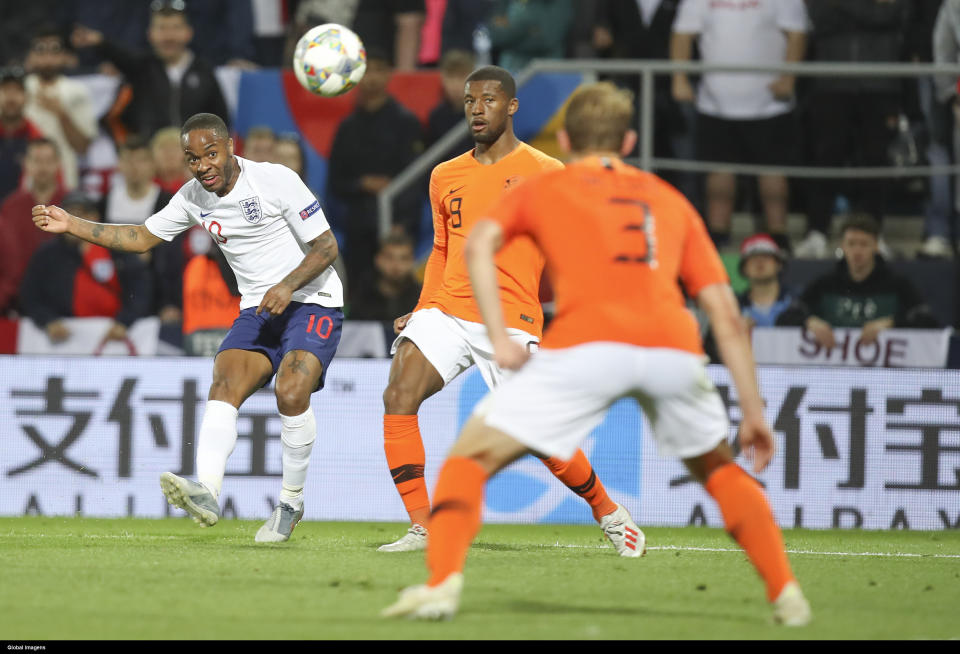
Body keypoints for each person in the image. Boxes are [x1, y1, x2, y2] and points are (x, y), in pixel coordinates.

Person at [382, 82, 812, 626]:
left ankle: (441, 586)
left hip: (589, 341)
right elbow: (725, 314)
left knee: (469, 461)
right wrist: (752, 411)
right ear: (629, 140)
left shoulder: (546, 186)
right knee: (720, 471)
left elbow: (482, 244)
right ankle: (787, 594)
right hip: (669, 344)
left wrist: (500, 329)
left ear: (564, 137)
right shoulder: (669, 201)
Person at [32, 112, 344, 544]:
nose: (203, 166)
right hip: (259, 307)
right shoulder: (192, 197)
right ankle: (207, 490)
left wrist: (287, 286)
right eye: (193, 159)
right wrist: (72, 224)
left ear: (230, 146)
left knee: (291, 392)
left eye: (211, 153)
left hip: (313, 300)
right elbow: (140, 237)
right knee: (225, 381)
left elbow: (326, 246)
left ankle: (290, 502)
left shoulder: (276, 180)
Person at [378, 66, 641, 556]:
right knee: (398, 393)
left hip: (511, 316)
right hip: (448, 309)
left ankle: (608, 511)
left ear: (512, 106)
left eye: (489, 100)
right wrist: (422, 307)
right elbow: (441, 250)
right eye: (470, 100)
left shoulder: (548, 173)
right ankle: (423, 525)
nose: (478, 109)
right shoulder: (444, 175)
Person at [671, 0, 808, 253]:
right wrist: (679, 78)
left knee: (773, 173)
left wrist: (789, 78)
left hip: (770, 102)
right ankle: (718, 238)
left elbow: (797, 34)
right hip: (715, 101)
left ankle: (778, 238)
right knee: (718, 174)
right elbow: (682, 34)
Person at [796, 0, 911, 259]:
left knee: (875, 162)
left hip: (879, 85)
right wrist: (869, 10)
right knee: (825, 159)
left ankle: (872, 233)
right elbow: (819, 17)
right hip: (831, 85)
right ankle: (817, 232)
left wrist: (842, 6)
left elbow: (893, 14)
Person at [327, 50, 424, 284]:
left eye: (379, 69)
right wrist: (361, 184)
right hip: (358, 228)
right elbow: (336, 181)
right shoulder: (347, 128)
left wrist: (402, 224)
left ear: (390, 74)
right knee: (359, 294)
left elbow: (416, 179)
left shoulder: (406, 123)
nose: (372, 77)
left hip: (398, 228)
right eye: (367, 70)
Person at [70, 1, 229, 141]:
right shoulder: (142, 67)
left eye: (175, 27)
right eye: (162, 28)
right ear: (150, 34)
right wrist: (99, 42)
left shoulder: (204, 71)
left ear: (188, 33)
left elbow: (220, 119)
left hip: (194, 159)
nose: (168, 36)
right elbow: (120, 55)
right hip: (151, 159)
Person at [778, 215, 939, 346]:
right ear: (843, 246)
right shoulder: (824, 284)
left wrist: (891, 323)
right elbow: (784, 318)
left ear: (876, 246)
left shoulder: (897, 284)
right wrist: (809, 321)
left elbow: (928, 321)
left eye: (864, 244)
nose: (857, 251)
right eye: (851, 244)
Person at [20, 191, 152, 344]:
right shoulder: (46, 254)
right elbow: (30, 295)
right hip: (62, 339)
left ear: (95, 218)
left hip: (115, 336)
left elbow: (140, 288)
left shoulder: (117, 249)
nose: (73, 221)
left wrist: (125, 321)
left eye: (82, 214)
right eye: (69, 215)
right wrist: (48, 321)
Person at [23, 25, 97, 192]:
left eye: (54, 52)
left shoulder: (77, 91)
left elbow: (82, 147)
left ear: (64, 56)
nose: (47, 58)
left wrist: (62, 114)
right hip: (23, 179)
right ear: (31, 56)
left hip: (64, 179)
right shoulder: (20, 89)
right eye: (40, 51)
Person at [0, 138, 65, 316]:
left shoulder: (72, 205)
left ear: (58, 163)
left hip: (65, 300)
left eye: (48, 161)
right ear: (26, 164)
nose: (42, 167)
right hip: (18, 301)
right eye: (36, 161)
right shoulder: (10, 207)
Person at [348, 232, 422, 322]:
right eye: (389, 258)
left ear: (412, 261)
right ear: (378, 260)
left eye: (404, 258)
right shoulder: (362, 298)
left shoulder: (422, 299)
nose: (396, 265)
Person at [104, 136, 172, 225]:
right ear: (119, 164)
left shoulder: (168, 203)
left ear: (153, 164)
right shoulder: (106, 201)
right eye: (128, 160)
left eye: (140, 160)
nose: (133, 166)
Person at [0, 66, 44, 202]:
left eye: (17, 91)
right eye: (6, 90)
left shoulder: (37, 138)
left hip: (24, 215)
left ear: (26, 97)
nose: (11, 97)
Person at [737, 234, 793, 329]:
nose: (760, 261)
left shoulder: (797, 300)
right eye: (753, 257)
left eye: (766, 256)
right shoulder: (735, 307)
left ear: (779, 265)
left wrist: (808, 321)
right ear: (744, 269)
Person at [425, 49, 476, 154]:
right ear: (442, 78)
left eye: (461, 76)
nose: (455, 84)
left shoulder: (485, 114)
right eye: (450, 77)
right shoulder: (436, 116)